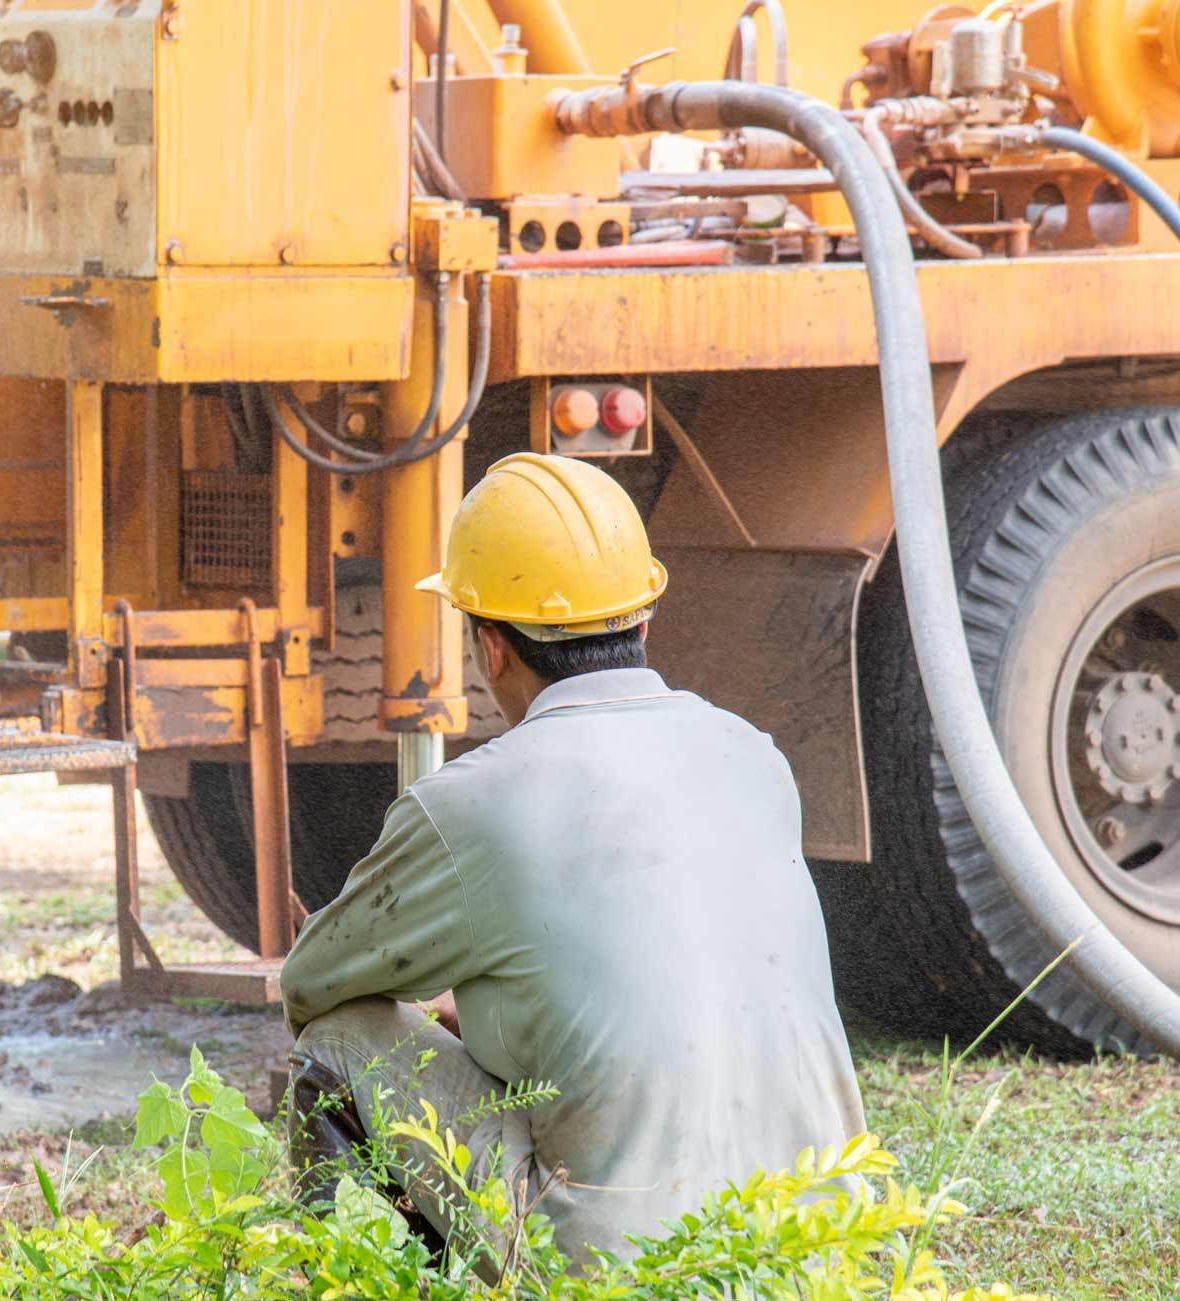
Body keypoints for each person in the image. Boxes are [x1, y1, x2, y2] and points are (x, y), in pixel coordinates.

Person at [281, 452, 865, 1274]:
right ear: (643, 620)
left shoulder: (471, 803)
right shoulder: (753, 755)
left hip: (616, 1270)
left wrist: (464, 1008)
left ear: (489, 648)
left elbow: (311, 984)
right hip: (818, 1252)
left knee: (339, 1035)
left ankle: (348, 1283)